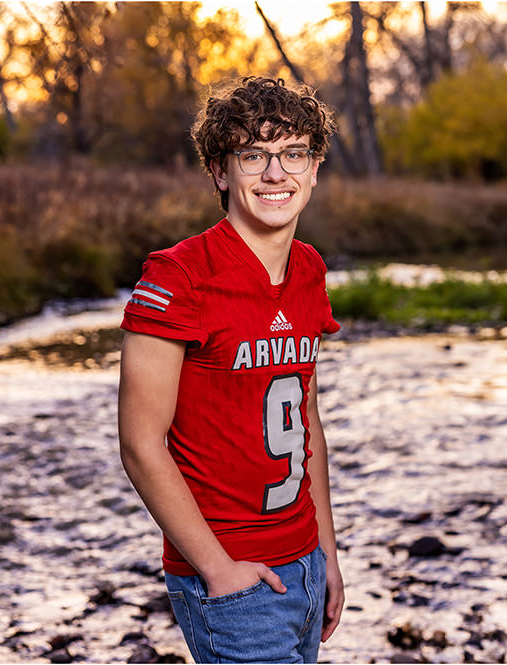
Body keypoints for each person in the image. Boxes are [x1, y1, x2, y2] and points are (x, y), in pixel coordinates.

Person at [117, 76, 344, 663]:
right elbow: (140, 443)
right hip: (232, 575)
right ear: (220, 171)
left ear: (314, 169)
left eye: (294, 154)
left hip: (304, 561)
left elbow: (306, 417)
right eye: (253, 156)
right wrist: (218, 570)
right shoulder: (178, 277)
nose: (276, 173)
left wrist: (327, 552)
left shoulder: (310, 268)